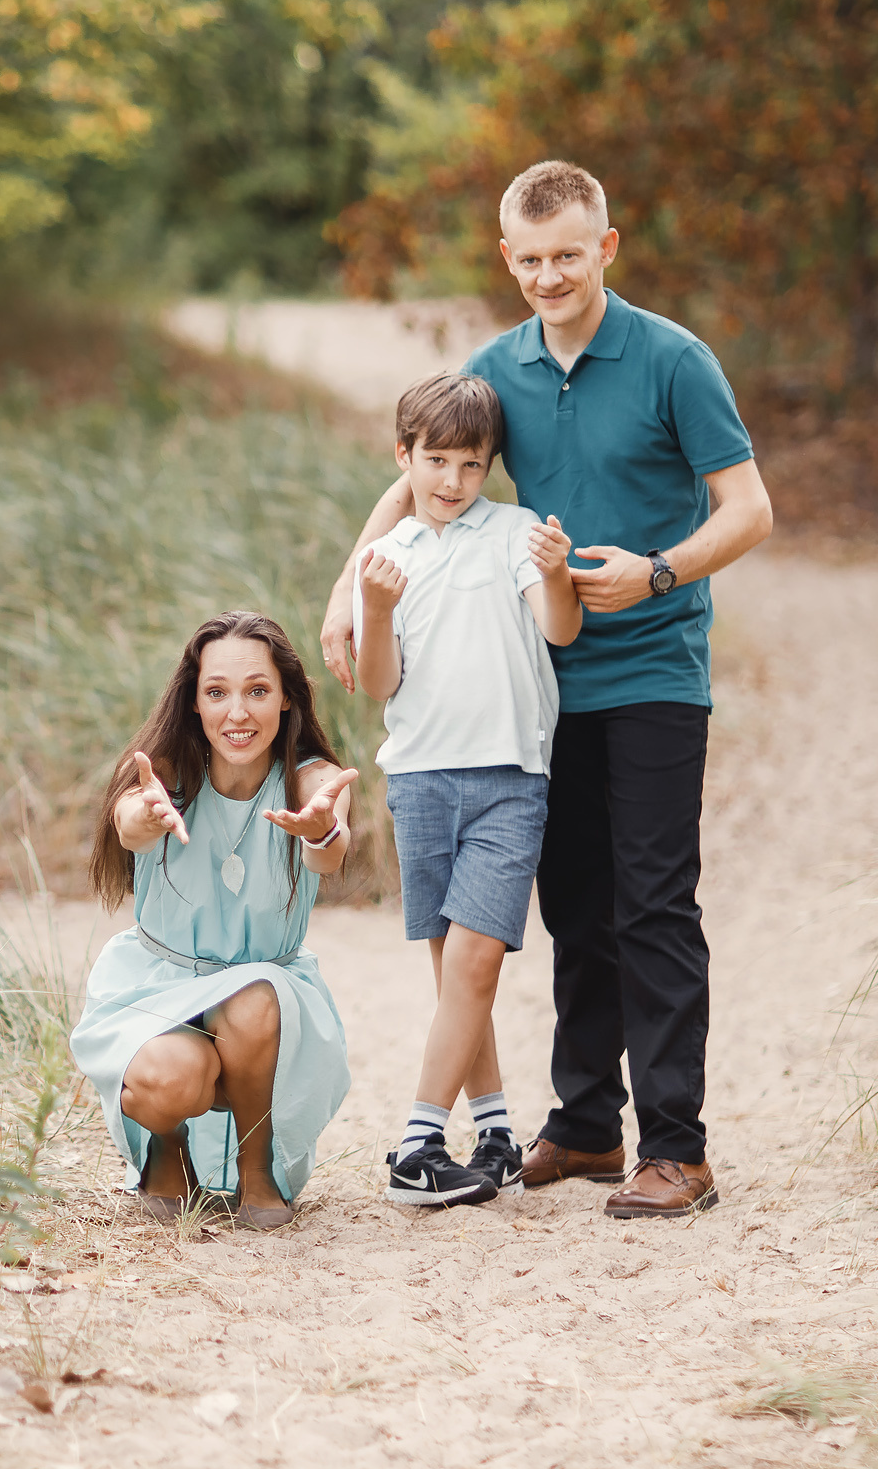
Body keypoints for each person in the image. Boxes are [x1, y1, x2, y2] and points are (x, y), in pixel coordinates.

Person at [319, 160, 774, 1219]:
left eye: (566, 254)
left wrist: (656, 572)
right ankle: (583, 1127)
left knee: (653, 900)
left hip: (656, 667)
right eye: (527, 260)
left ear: (605, 248)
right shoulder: (499, 368)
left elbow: (749, 510)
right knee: (574, 905)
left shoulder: (673, 360)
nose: (547, 276)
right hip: (543, 685)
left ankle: (677, 1148)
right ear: (506, 259)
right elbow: (414, 475)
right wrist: (349, 584)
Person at [352, 371, 581, 1207]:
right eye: (436, 460)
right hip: (419, 777)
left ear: (492, 468)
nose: (451, 481)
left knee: (477, 958)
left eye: (471, 465)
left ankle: (416, 1144)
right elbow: (381, 681)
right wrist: (373, 609)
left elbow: (559, 627)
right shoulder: (387, 559)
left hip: (509, 777)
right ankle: (491, 1130)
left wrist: (557, 574)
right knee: (460, 974)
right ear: (404, 457)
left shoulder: (516, 532)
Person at [69, 612, 361, 1230]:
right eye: (217, 692)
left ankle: (258, 1168)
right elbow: (131, 816)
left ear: (286, 701)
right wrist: (147, 816)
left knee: (253, 997)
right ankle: (167, 1149)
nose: (237, 713)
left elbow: (329, 838)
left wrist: (322, 826)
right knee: (170, 1079)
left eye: (257, 691)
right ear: (195, 702)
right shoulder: (166, 773)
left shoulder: (310, 780)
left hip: (266, 1010)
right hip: (159, 988)